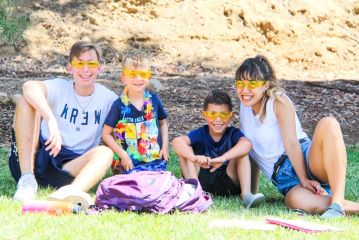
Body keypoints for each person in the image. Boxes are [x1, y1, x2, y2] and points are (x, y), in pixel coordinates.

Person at [235, 55, 359, 218]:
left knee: (328, 123)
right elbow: (252, 151)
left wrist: (304, 179)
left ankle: (337, 202)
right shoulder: (245, 107)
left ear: (265, 85)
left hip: (306, 159)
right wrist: (251, 191)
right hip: (285, 179)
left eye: (252, 84)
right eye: (240, 83)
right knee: (294, 200)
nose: (244, 90)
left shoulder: (277, 101)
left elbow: (292, 142)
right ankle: (339, 205)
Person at [9, 41, 117, 209]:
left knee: (105, 153)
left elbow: (123, 127)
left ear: (100, 67)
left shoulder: (108, 99)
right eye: (79, 63)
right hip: (38, 156)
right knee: (25, 102)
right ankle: (27, 181)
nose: (86, 69)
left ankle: (70, 193)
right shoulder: (59, 87)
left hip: (71, 166)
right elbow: (29, 86)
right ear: (70, 67)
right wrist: (50, 119)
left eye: (91, 63)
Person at [172, 90, 265, 208]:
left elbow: (247, 144)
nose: (218, 120)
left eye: (223, 114)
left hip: (230, 181)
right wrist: (194, 158)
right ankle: (196, 194)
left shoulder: (232, 133)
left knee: (242, 153)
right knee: (185, 151)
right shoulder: (201, 133)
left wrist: (223, 158)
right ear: (205, 115)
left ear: (231, 116)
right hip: (202, 180)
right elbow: (177, 142)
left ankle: (246, 195)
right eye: (212, 114)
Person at [102, 50, 169, 174]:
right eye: (132, 74)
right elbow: (106, 134)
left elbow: (163, 123)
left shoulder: (154, 100)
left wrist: (165, 147)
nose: (138, 78)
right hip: (129, 165)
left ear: (149, 77)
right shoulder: (119, 105)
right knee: (133, 189)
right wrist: (123, 155)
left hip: (155, 162)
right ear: (123, 78)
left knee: (158, 187)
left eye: (143, 74)